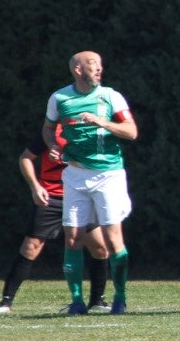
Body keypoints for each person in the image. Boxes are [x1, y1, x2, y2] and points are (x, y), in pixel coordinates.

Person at [44, 51, 137, 315]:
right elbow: (48, 129)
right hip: (75, 174)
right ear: (78, 69)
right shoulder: (59, 98)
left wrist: (102, 122)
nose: (99, 70)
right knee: (73, 237)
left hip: (108, 175)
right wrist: (53, 146)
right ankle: (76, 301)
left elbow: (131, 131)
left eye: (100, 65)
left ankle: (119, 298)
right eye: (93, 65)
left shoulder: (110, 96)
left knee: (112, 238)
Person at [0, 125, 109, 314]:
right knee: (31, 247)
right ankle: (6, 301)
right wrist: (35, 187)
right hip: (51, 197)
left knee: (100, 247)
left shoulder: (90, 132)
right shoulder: (51, 132)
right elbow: (25, 158)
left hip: (79, 197)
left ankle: (96, 301)